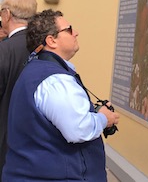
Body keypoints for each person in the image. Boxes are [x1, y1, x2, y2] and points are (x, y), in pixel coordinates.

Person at [2, 9, 119, 182]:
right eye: (69, 29)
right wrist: (104, 119)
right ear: (51, 40)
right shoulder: (56, 80)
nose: (76, 33)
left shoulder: (37, 69)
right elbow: (78, 130)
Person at [0, 0, 37, 180]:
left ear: (6, 14)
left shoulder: (3, 50)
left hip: (5, 142)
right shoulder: (44, 47)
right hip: (38, 142)